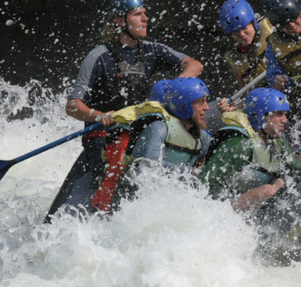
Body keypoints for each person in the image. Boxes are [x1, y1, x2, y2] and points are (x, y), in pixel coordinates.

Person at [45, 0, 203, 222]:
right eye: (138, 14)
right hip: (102, 138)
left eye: (145, 14)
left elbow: (194, 64)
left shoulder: (152, 50)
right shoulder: (98, 56)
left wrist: (175, 88)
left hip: (137, 138)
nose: (145, 19)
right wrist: (99, 115)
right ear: (120, 21)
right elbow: (72, 105)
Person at [90, 78, 213, 213]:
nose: (206, 107)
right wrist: (190, 172)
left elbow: (210, 165)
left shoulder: (202, 136)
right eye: (201, 102)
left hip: (171, 197)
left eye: (206, 101)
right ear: (183, 104)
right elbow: (149, 165)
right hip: (133, 195)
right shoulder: (159, 126)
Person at [201, 88, 301, 213]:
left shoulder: (278, 143)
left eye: (285, 114)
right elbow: (204, 185)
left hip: (257, 210)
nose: (285, 120)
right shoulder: (239, 144)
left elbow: (299, 171)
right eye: (279, 114)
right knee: (268, 190)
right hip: (224, 209)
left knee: (283, 183)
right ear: (260, 115)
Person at [218, 0, 273, 89]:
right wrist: (232, 104)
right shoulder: (236, 59)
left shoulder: (273, 30)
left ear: (253, 22)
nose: (242, 35)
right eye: (236, 32)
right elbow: (246, 94)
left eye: (244, 28)